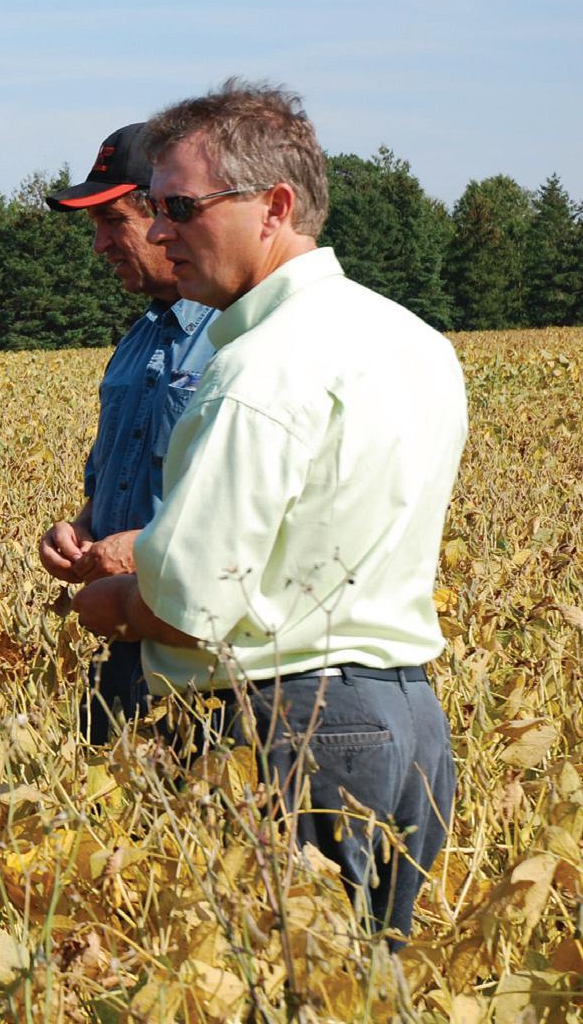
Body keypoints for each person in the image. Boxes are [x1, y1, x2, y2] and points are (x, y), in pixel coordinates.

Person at [74, 79, 465, 941]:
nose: (160, 229)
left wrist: (110, 603)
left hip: (290, 730)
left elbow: (193, 602)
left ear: (274, 207)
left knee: (256, 982)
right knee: (366, 982)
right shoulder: (415, 342)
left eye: (180, 206)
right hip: (407, 725)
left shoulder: (258, 369)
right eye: (156, 208)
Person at [36, 122, 219, 744]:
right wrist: (81, 529)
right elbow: (114, 477)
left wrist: (143, 549)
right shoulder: (137, 340)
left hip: (200, 659)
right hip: (118, 644)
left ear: (169, 214)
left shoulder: (237, 337)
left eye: (113, 221)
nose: (100, 245)